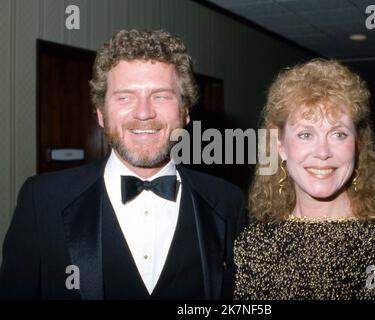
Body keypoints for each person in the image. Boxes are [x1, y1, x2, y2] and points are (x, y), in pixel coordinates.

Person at [0, 29, 246, 300]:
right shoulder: (42, 200)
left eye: (161, 96)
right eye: (125, 97)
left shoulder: (227, 202)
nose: (143, 113)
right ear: (101, 114)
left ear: (185, 112)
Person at [234, 59, 375, 300]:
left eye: (338, 134)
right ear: (280, 145)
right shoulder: (254, 246)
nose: (323, 152)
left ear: (357, 144)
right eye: (305, 134)